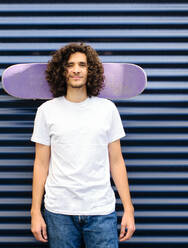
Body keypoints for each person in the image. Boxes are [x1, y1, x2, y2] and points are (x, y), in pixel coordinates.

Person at [30, 42, 135, 248]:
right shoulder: (46, 111)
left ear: (91, 70)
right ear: (62, 71)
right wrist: (35, 212)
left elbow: (117, 162)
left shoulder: (107, 109)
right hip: (59, 211)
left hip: (101, 210)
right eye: (70, 65)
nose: (76, 70)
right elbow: (40, 165)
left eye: (82, 65)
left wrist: (129, 209)